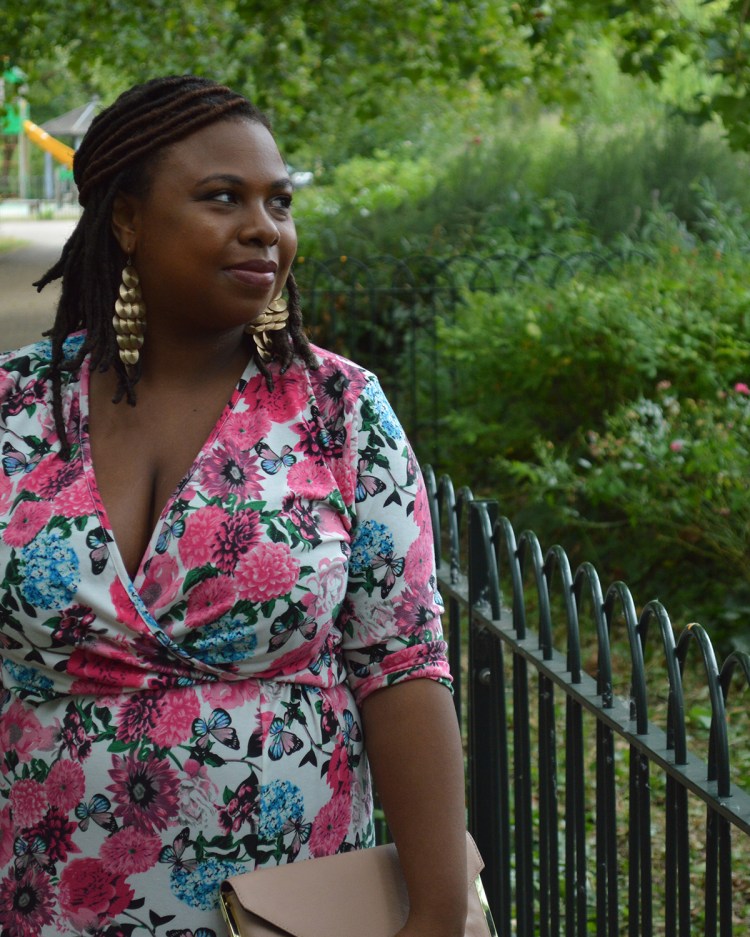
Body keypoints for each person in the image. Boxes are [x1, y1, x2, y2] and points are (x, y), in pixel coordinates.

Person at [0, 76, 467, 937]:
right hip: (43, 893)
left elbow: (402, 664)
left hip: (285, 906)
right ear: (127, 219)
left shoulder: (338, 411)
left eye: (278, 202)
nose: (265, 227)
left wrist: (436, 913)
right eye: (223, 197)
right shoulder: (17, 408)